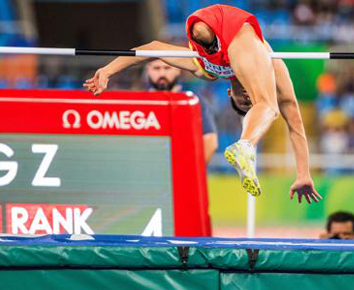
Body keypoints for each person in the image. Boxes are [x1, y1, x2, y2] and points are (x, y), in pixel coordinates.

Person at [85, 4, 320, 204]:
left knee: (269, 106)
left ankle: (245, 145)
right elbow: (151, 49)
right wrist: (106, 70)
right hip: (219, 28)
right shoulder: (258, 57)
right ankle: (245, 145)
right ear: (228, 92)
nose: (248, 99)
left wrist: (303, 174)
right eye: (249, 103)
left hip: (206, 31)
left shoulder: (205, 69)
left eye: (244, 103)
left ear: (231, 94)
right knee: (269, 106)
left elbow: (295, 120)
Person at [144, 59, 218, 163]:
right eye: (156, 68)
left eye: (167, 68)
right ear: (148, 70)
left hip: (182, 167)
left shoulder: (192, 102)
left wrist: (192, 173)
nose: (162, 73)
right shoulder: (140, 103)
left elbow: (210, 141)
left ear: (177, 69)